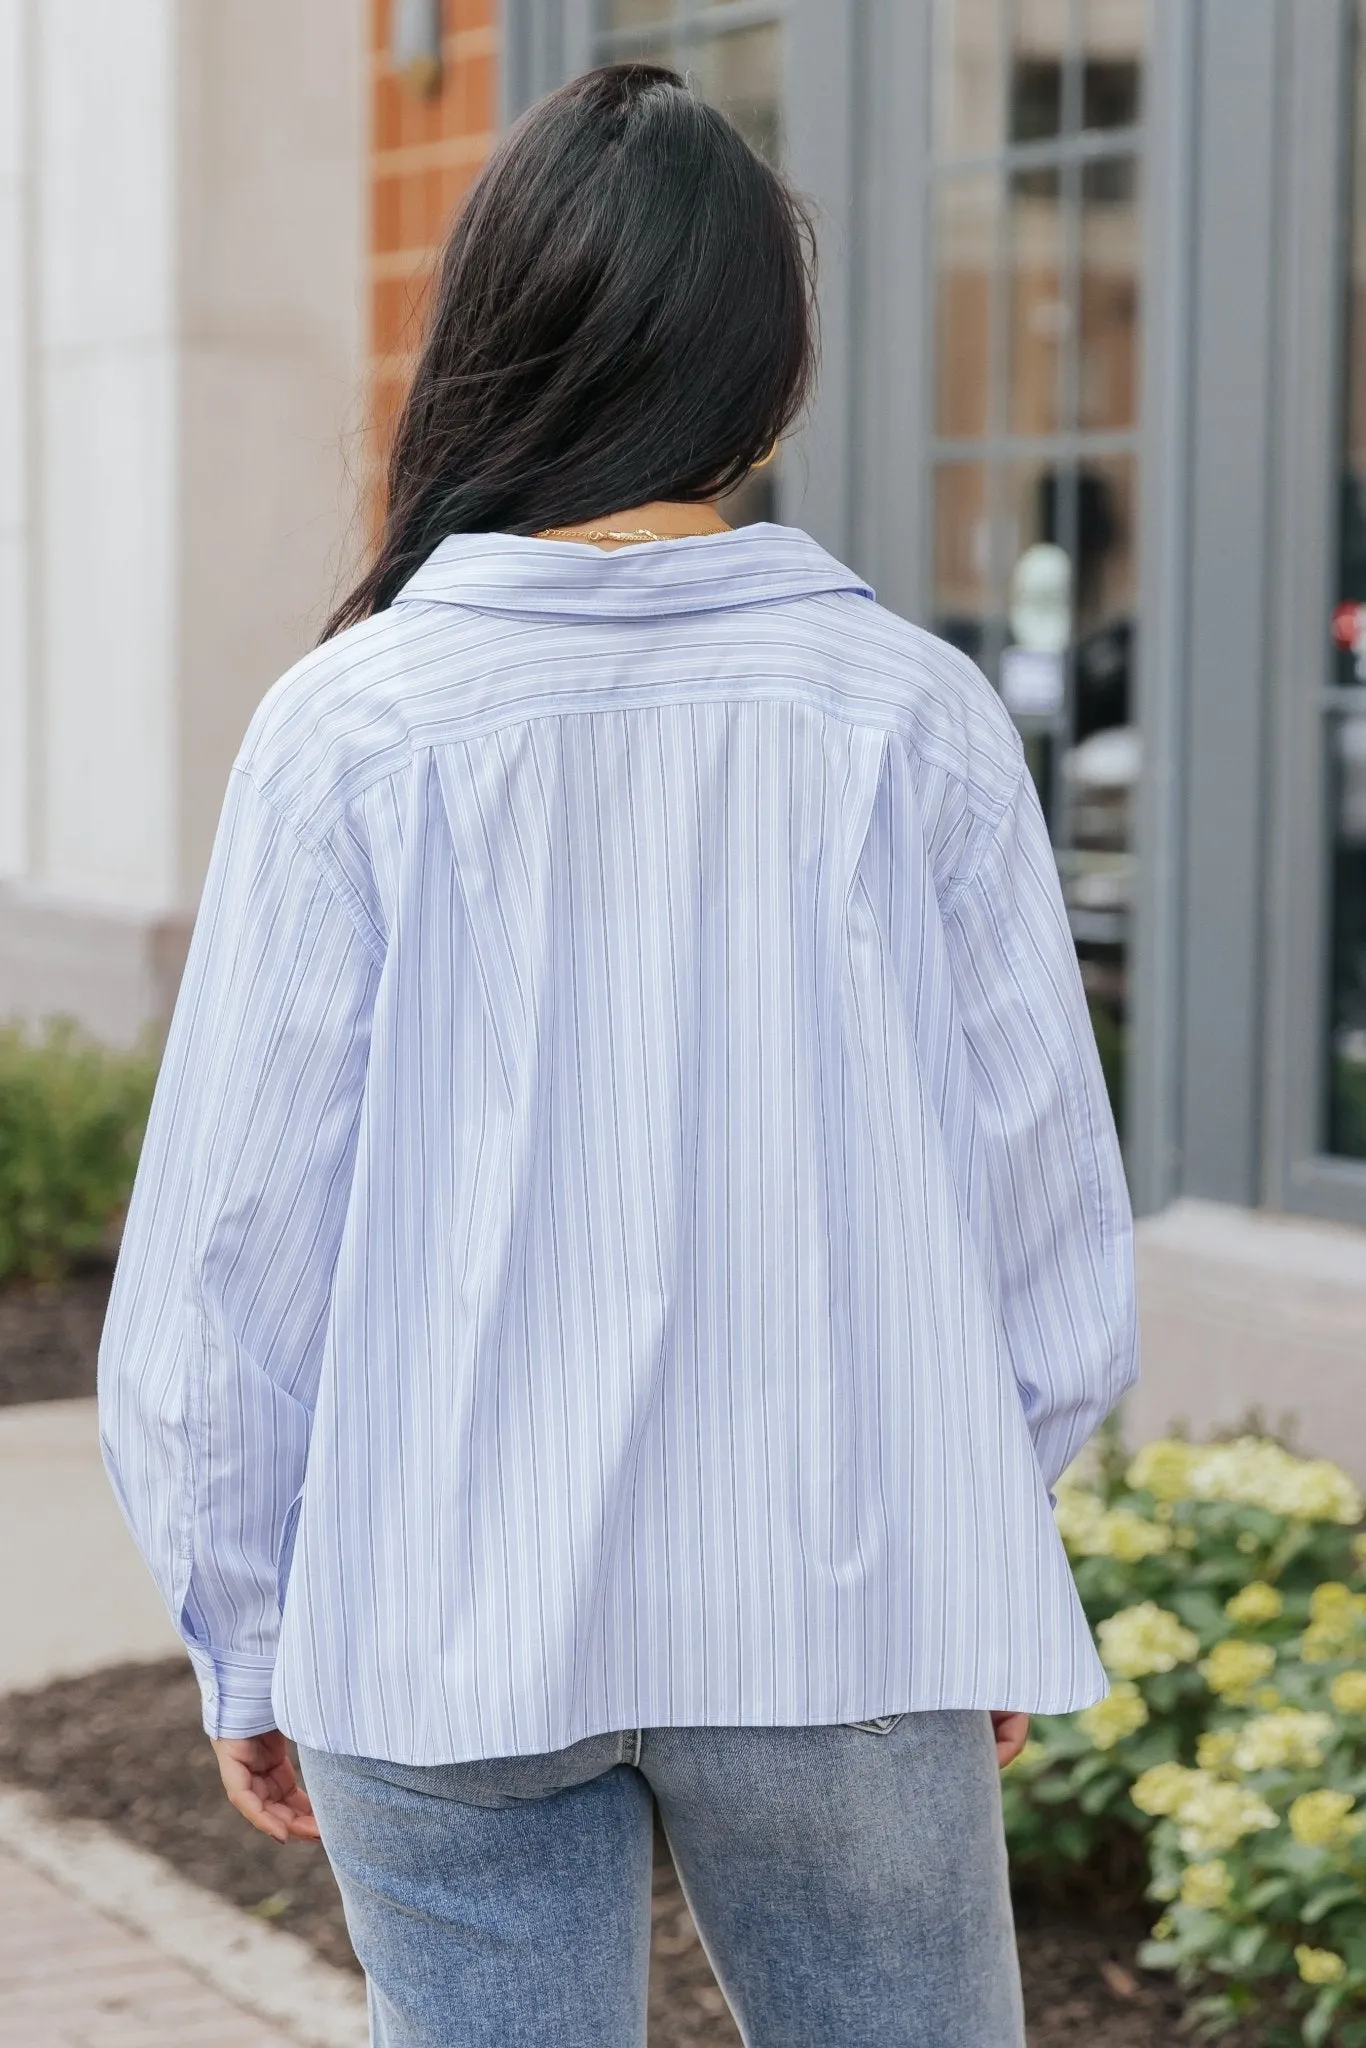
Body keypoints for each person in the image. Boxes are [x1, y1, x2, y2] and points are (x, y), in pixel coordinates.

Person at [97, 61, 1138, 2048]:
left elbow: (233, 1259)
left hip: (430, 1619)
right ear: (764, 384)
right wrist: (972, 1525)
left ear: (493, 349)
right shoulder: (904, 718)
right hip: (842, 1605)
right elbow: (1047, 1230)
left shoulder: (350, 727)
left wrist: (244, 1624)